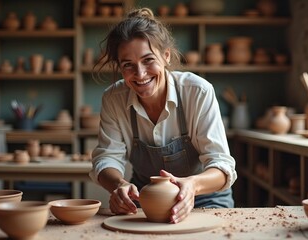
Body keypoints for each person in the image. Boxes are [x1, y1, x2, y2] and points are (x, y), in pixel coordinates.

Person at [89, 7, 237, 224]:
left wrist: (192, 186)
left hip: (204, 198)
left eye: (148, 60)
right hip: (144, 197)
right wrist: (119, 186)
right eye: (128, 65)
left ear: (166, 56)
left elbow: (222, 165)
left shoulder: (197, 92)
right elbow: (106, 159)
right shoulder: (114, 98)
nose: (140, 74)